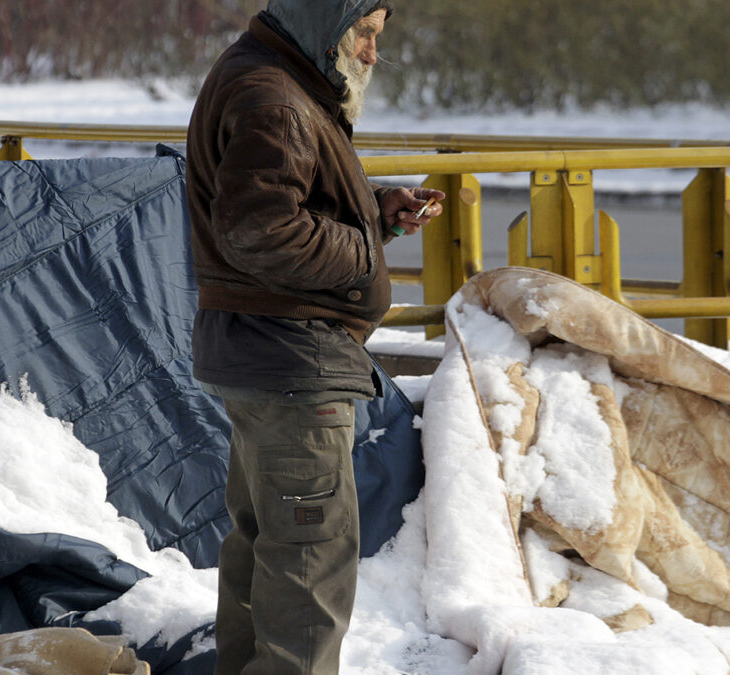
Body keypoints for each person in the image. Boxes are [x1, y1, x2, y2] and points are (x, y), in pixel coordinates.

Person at [185, 1, 444, 672]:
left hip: (259, 352)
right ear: (328, 23)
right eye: (364, 34)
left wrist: (371, 209)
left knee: (263, 548)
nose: (370, 53)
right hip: (290, 359)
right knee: (308, 568)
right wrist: (363, 249)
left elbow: (279, 209)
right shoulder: (277, 100)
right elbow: (258, 229)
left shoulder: (271, 77)